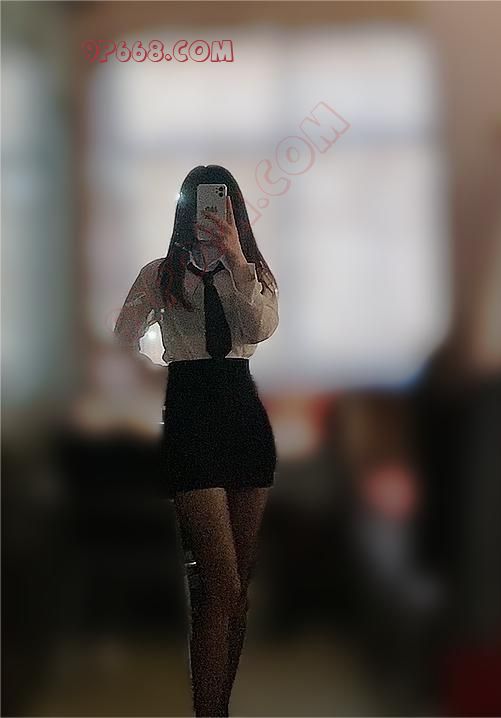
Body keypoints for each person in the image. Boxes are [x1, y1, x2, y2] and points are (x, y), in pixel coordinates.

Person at [113, 165, 279, 717]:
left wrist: (235, 259)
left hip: (244, 417)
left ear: (235, 211)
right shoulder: (160, 274)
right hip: (189, 418)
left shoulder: (253, 272)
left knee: (237, 592)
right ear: (184, 210)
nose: (210, 214)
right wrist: (156, 376)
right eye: (201, 204)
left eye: (221, 205)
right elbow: (121, 340)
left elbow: (259, 330)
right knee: (219, 583)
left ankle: (217, 707)